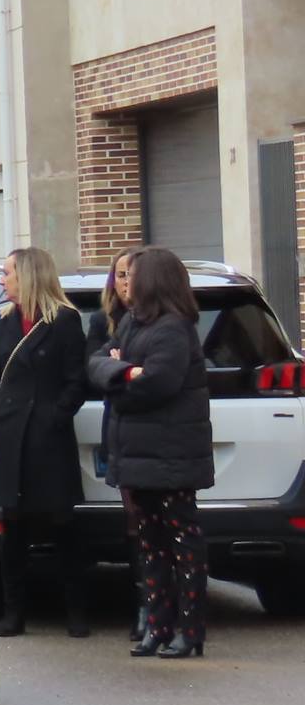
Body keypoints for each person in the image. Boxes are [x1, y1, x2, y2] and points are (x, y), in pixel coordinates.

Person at [89, 246, 216, 658]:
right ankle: (158, 626)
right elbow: (95, 365)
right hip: (136, 453)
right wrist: (124, 371)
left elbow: (158, 385)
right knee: (150, 546)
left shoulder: (173, 329)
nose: (126, 283)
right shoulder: (130, 323)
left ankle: (190, 629)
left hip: (172, 455)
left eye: (134, 275)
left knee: (182, 544)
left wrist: (120, 376)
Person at [0, 246, 91, 640]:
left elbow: (75, 380)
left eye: (8, 273)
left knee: (63, 525)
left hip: (48, 440)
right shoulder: (3, 325)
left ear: (28, 275)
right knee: (13, 529)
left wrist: (56, 416)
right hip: (10, 436)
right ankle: (14, 612)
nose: (3, 280)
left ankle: (76, 611)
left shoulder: (64, 322)